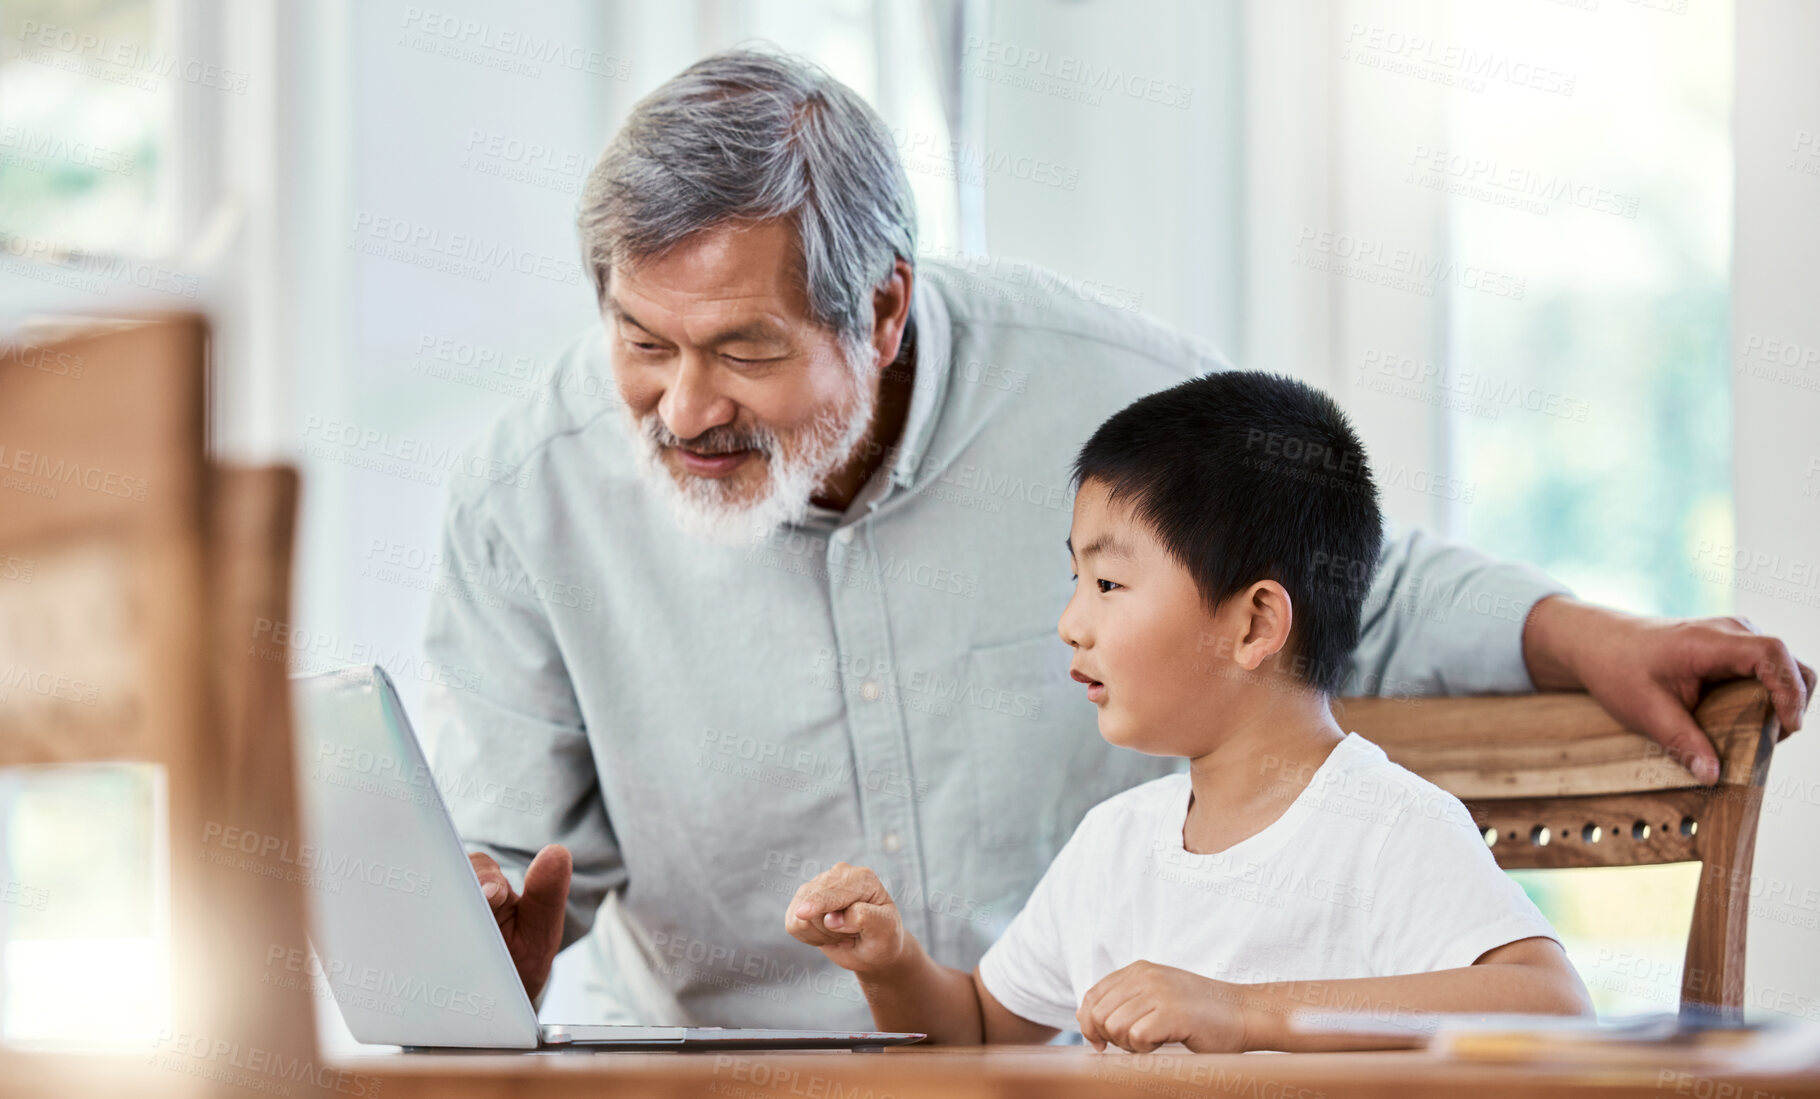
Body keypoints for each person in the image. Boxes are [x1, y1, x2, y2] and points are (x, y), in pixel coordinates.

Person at [430, 47, 1812, 1028]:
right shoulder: (527, 497)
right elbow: (503, 872)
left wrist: (1586, 632)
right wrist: (481, 940)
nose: (683, 405)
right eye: (640, 340)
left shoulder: (1104, 393)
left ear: (886, 309)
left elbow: (1343, 587)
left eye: (743, 347)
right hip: (719, 1074)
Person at [784, 371, 1592, 1051]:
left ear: (1253, 624)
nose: (1071, 620)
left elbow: (1552, 1007)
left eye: (1107, 583)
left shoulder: (1383, 826)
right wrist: (890, 966)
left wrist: (1245, 1012)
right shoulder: (1115, 843)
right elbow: (980, 1037)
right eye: (1076, 580)